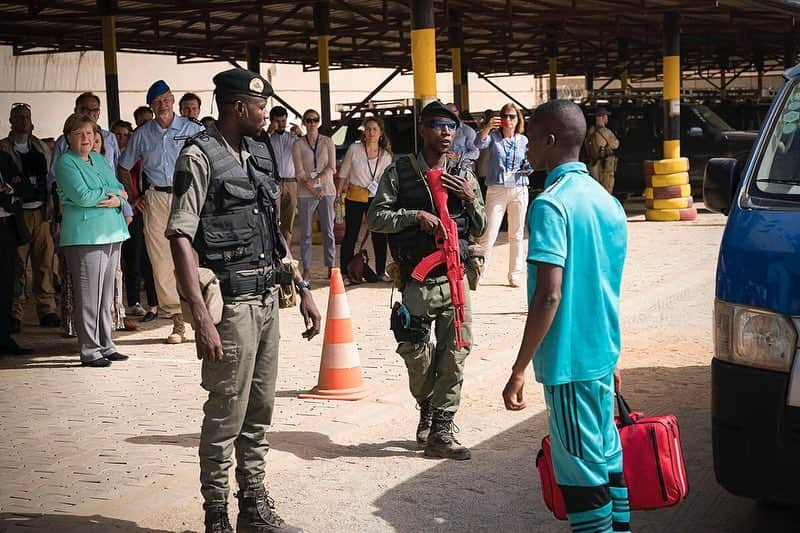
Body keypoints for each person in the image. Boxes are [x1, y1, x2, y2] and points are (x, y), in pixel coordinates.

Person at [167, 67, 321, 533]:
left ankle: (252, 504)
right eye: (259, 107)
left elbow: (274, 229)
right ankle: (216, 513)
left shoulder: (258, 152)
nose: (265, 115)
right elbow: (179, 236)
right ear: (238, 107)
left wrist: (303, 288)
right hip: (230, 306)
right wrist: (200, 317)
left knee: (259, 410)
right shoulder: (199, 156)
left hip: (268, 299)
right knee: (225, 411)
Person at [502, 100, 629, 533]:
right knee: (608, 461)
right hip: (602, 358)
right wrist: (613, 359)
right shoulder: (607, 202)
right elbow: (606, 286)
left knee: (581, 476)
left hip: (570, 365)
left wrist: (519, 368)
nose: (526, 147)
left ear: (551, 142)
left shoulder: (551, 205)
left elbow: (549, 297)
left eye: (532, 138)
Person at [367, 100, 486, 460]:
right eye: (437, 125)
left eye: (451, 127)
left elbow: (479, 227)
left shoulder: (463, 173)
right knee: (415, 353)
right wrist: (413, 216)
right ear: (423, 130)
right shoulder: (400, 172)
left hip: (455, 279)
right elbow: (376, 218)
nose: (446, 133)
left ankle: (441, 430)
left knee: (456, 352)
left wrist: (470, 198)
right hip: (418, 280)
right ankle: (428, 405)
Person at [118, 80, 203, 344]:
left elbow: (210, 160)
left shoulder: (193, 129)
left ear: (173, 99)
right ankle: (177, 319)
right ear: (151, 107)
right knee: (161, 259)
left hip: (188, 196)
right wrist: (133, 196)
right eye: (157, 102)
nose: (163, 104)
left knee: (194, 255)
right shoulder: (143, 134)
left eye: (166, 99)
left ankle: (201, 314)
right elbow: (123, 167)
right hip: (156, 197)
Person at [55, 113, 131, 368]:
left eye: (89, 133)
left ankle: (105, 344)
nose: (86, 138)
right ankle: (89, 350)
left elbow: (122, 189)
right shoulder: (65, 163)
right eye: (79, 134)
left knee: (106, 295)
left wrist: (118, 197)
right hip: (85, 236)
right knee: (89, 296)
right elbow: (83, 197)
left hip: (112, 233)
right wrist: (113, 195)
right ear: (68, 138)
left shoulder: (98, 159)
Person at [0, 102, 60, 333]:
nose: (23, 120)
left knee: (44, 263)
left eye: (26, 116)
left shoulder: (42, 148)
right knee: (17, 266)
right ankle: (15, 312)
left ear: (32, 121)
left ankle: (47, 309)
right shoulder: (3, 149)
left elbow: (51, 179)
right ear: (11, 122)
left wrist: (53, 212)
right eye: (18, 117)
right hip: (16, 215)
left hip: (42, 213)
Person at [474, 102, 530, 288]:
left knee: (517, 233)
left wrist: (527, 168)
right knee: (489, 233)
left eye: (512, 117)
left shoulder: (522, 140)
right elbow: (478, 143)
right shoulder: (494, 137)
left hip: (519, 187)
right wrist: (488, 126)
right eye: (505, 116)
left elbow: (529, 161)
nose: (508, 120)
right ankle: (479, 272)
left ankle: (515, 273)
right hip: (497, 188)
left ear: (518, 119)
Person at [112, 119, 158, 322]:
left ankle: (146, 302)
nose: (122, 138)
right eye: (118, 134)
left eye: (125, 135)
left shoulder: (138, 157)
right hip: (114, 211)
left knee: (141, 257)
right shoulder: (107, 156)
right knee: (124, 260)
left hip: (138, 210)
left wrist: (136, 199)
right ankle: (124, 302)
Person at [336, 116, 393, 284]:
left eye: (375, 129)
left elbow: (386, 180)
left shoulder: (386, 156)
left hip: (376, 197)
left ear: (381, 133)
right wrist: (338, 195)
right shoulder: (354, 149)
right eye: (368, 129)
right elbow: (343, 173)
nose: (371, 133)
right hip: (355, 195)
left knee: (380, 234)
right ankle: (345, 273)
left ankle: (381, 271)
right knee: (351, 235)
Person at [291, 108, 336, 281]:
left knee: (329, 231)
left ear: (318, 122)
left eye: (315, 120)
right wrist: (312, 188)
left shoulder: (327, 142)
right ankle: (307, 268)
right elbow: (299, 171)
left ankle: (331, 267)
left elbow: (332, 167)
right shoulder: (298, 144)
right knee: (306, 233)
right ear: (304, 122)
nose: (312, 123)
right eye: (308, 120)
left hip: (327, 190)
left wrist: (319, 182)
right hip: (306, 192)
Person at [48, 92, 120, 189]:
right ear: (75, 111)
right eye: (85, 110)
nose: (90, 114)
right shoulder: (63, 141)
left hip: (110, 197)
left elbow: (117, 169)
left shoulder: (110, 138)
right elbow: (54, 176)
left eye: (95, 110)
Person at [0, 150, 33, 356]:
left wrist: (8, 189)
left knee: (5, 285)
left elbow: (25, 187)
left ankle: (3, 338)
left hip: (6, 227)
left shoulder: (3, 157)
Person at [267, 106, 298, 245]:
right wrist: (268, 132)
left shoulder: (292, 137)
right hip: (274, 181)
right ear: (271, 121)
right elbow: (256, 145)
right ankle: (273, 249)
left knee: (288, 220)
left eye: (283, 120)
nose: (281, 124)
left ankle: (286, 251)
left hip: (291, 182)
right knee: (273, 217)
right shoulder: (266, 137)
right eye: (278, 121)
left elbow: (308, 148)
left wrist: (300, 134)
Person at [584, 107, 620, 194]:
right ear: (601, 117)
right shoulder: (605, 132)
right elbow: (616, 144)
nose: (607, 118)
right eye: (605, 116)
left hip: (593, 165)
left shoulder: (590, 132)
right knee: (607, 190)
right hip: (605, 167)